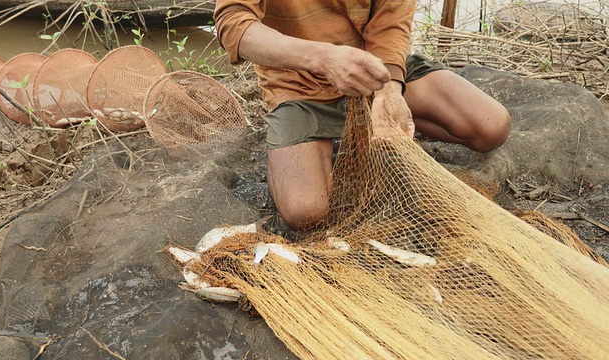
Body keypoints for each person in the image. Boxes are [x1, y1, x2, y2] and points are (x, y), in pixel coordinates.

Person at [214, 1, 511, 230]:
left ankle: (374, 121)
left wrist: (390, 89)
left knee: (491, 126)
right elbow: (233, 26)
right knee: (305, 212)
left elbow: (392, 18)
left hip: (373, 67)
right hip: (299, 84)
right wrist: (323, 58)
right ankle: (297, 144)